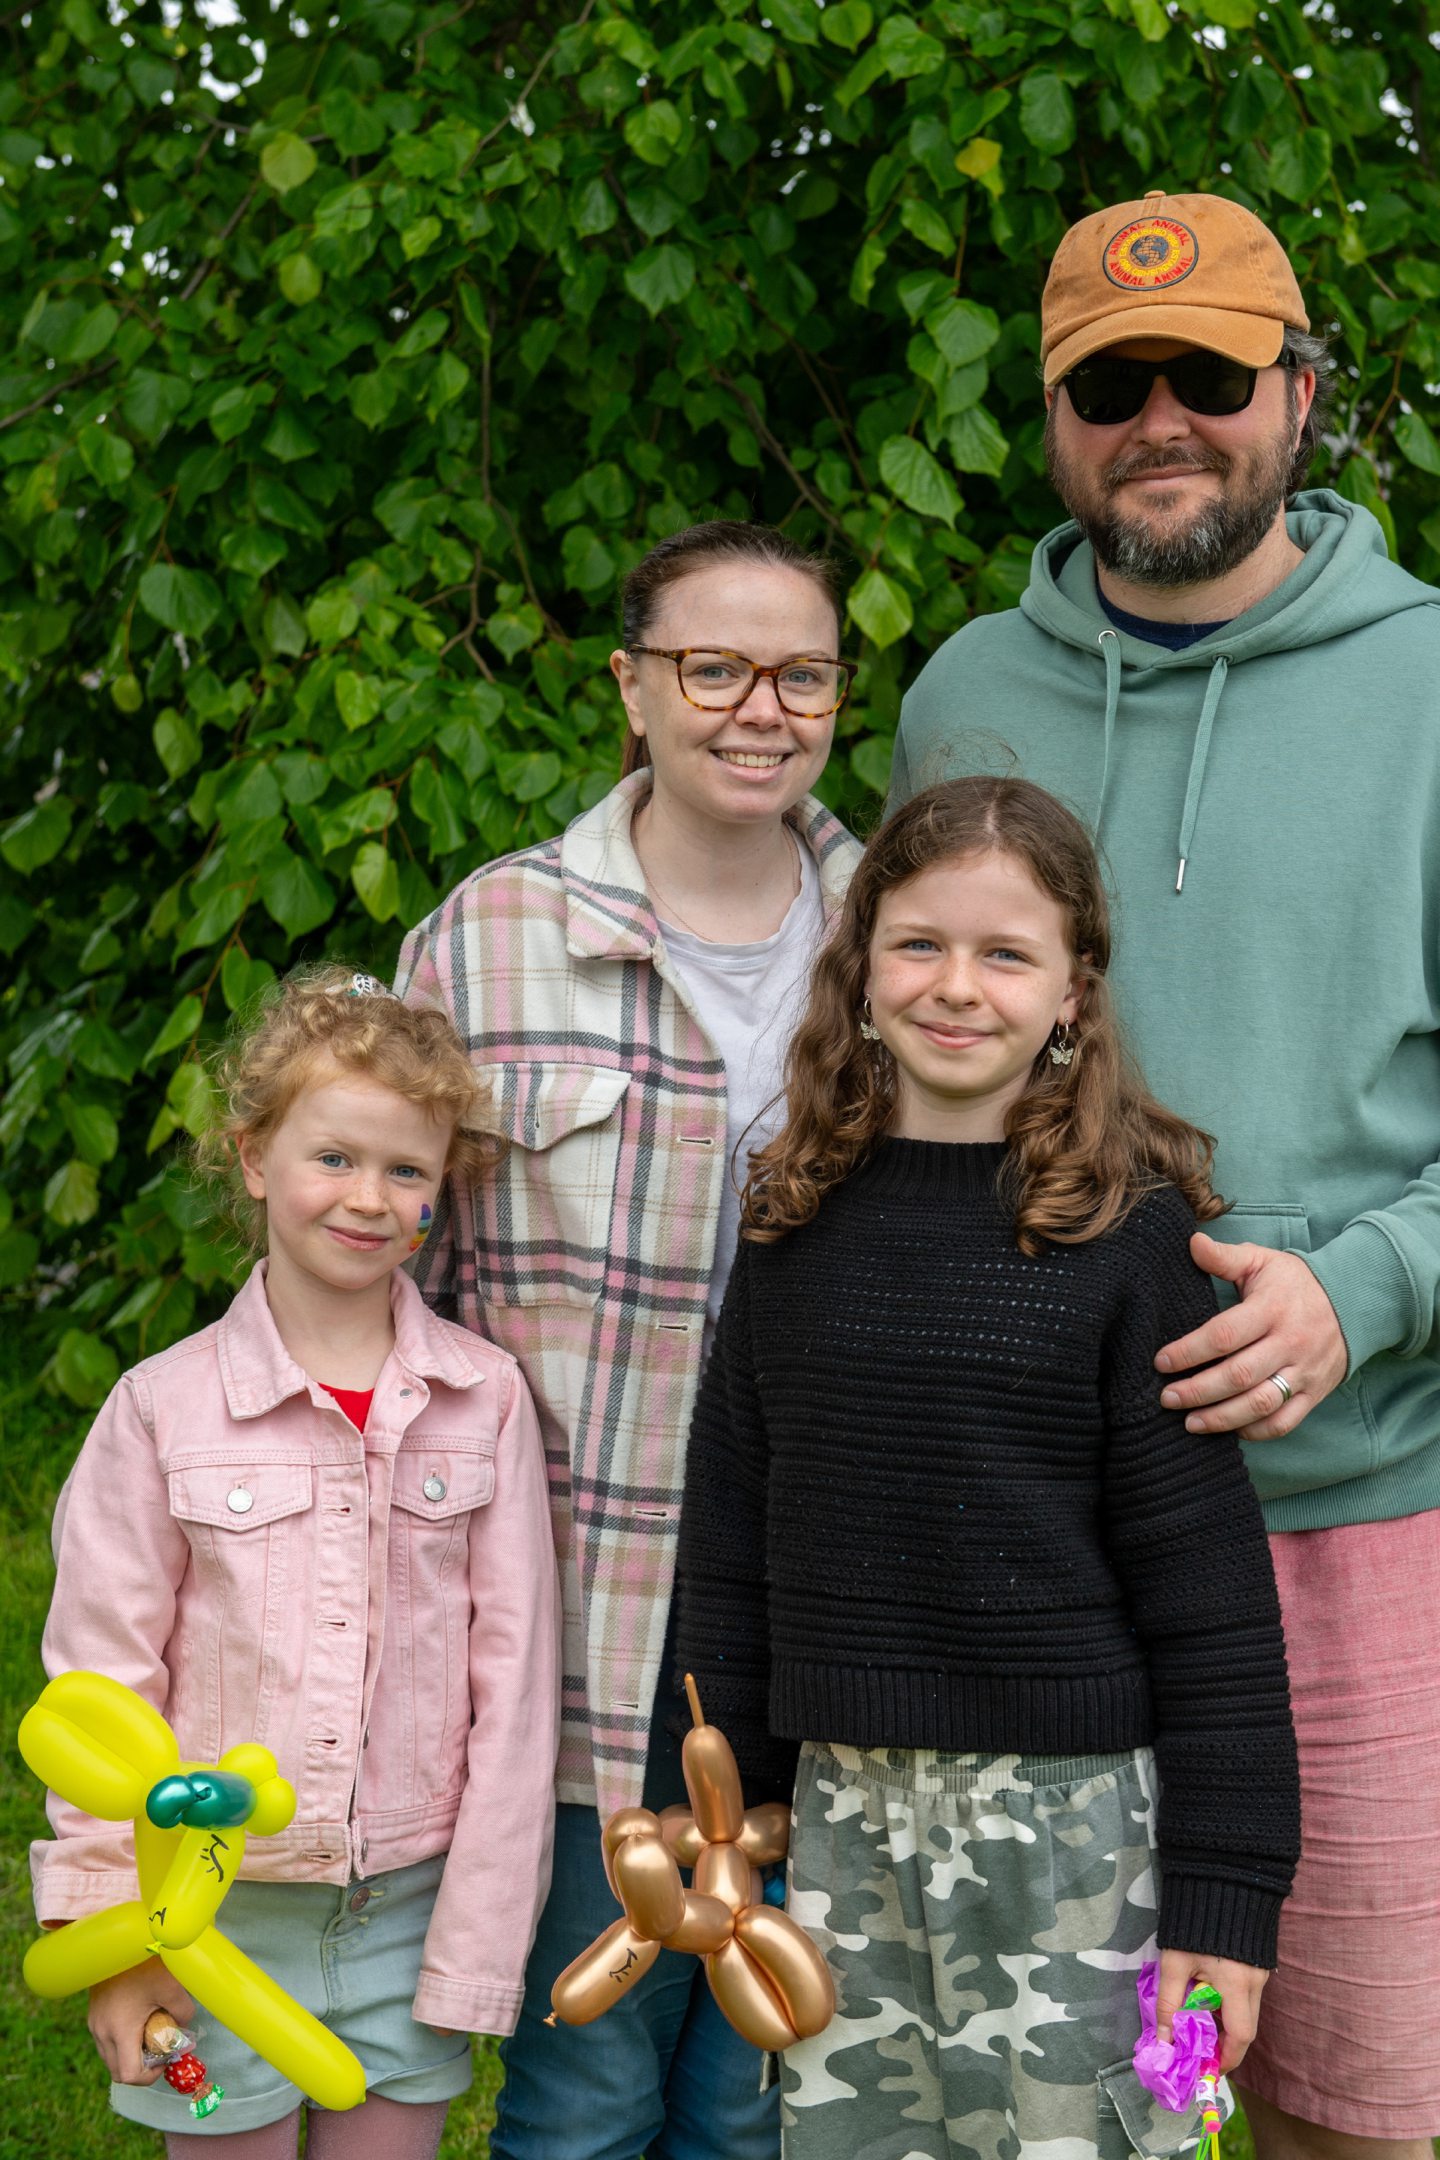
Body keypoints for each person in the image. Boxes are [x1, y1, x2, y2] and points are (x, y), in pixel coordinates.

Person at [891, 188, 1440, 2157]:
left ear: (1299, 395)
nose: (1161, 419)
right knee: (1064, 2092)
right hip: (1028, 1550)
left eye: (1206, 374)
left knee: (1354, 2100)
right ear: (1052, 419)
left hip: (1348, 1517)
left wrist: (1362, 1285)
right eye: (1109, 383)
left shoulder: (1431, 694)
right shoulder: (964, 698)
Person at [674, 775, 1301, 2160]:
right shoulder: (792, 1227)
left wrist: (1223, 1905)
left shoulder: (1131, 1248)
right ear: (859, 965)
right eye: (920, 944)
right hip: (838, 1823)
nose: (958, 986)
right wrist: (709, 1801)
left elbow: (1213, 1611)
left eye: (1006, 953)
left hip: (1079, 1842)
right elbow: (730, 1542)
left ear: (1074, 990)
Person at [395, 520, 863, 2160]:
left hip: (826, 1606)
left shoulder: (899, 939)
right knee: (589, 2080)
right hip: (590, 1608)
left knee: (760, 2091)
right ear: (632, 688)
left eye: (801, 671)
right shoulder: (493, 938)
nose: (760, 707)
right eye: (710, 667)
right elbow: (404, 1296)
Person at [31, 967, 560, 2159]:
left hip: (407, 1913)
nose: (367, 1198)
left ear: (439, 1192)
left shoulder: (484, 1403)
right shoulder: (161, 1411)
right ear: (255, 1155)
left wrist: (473, 1952)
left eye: (406, 1170)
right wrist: (117, 1944)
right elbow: (99, 1697)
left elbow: (515, 1690)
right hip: (210, 1914)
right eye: (333, 1157)